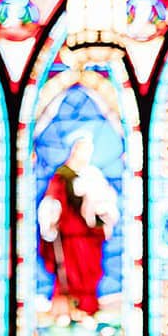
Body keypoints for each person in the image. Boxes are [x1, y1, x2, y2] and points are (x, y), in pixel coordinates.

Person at [37, 132, 117, 323]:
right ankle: (67, 310)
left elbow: (104, 202)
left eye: (87, 151)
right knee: (69, 272)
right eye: (81, 150)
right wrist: (51, 216)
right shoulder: (63, 175)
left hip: (89, 236)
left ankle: (86, 309)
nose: (84, 155)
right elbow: (53, 200)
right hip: (69, 235)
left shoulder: (93, 175)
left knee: (89, 272)